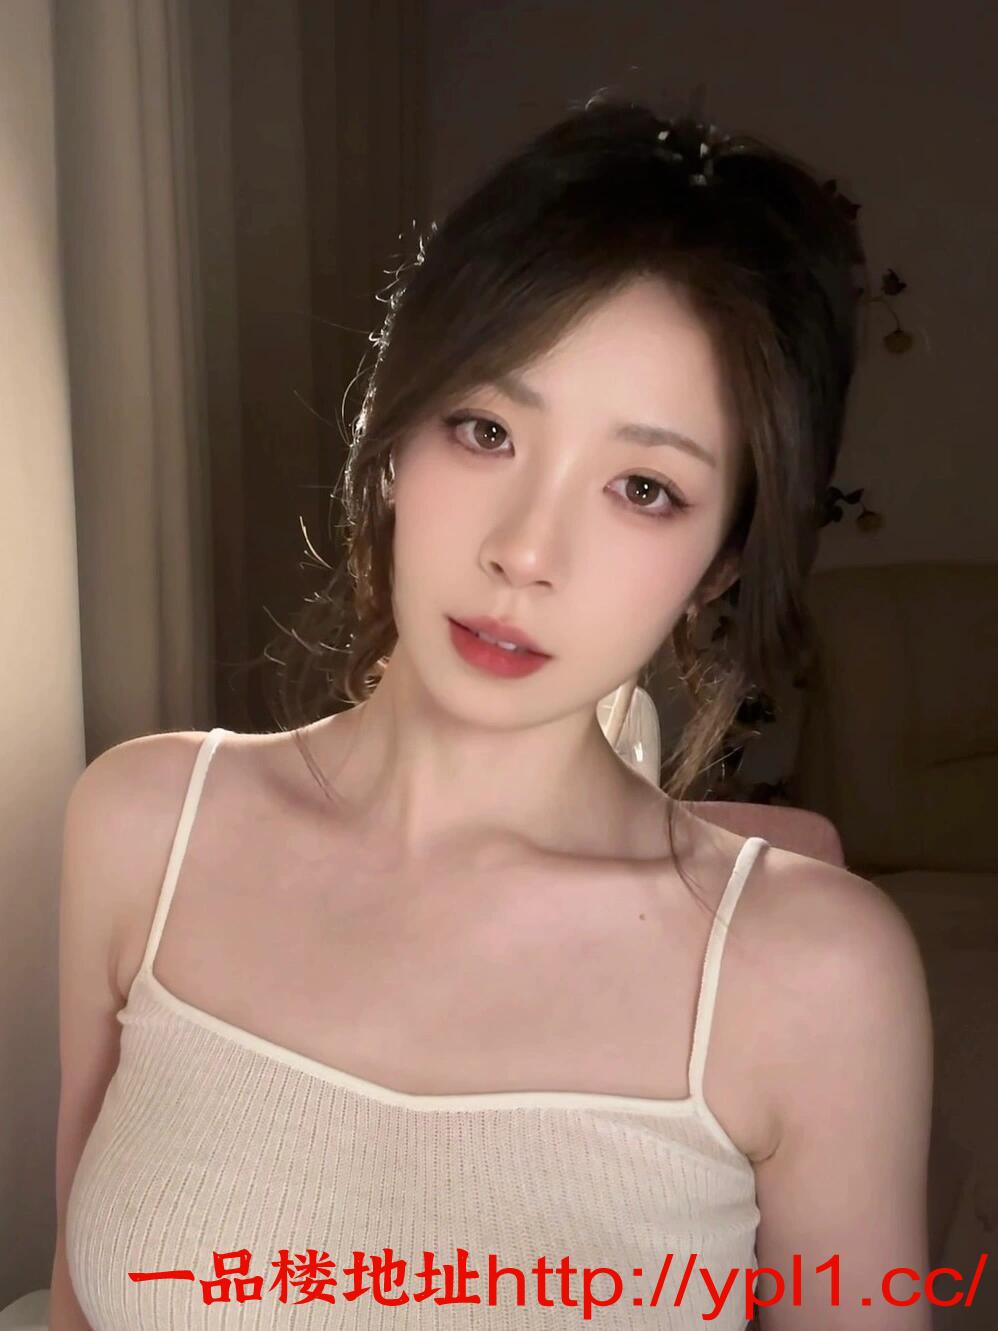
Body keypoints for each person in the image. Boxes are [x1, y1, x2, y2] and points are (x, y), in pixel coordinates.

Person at [51, 95, 933, 1330]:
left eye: (642, 487)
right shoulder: (143, 825)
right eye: (485, 429)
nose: (525, 550)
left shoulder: (814, 979)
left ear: (722, 559)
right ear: (393, 433)